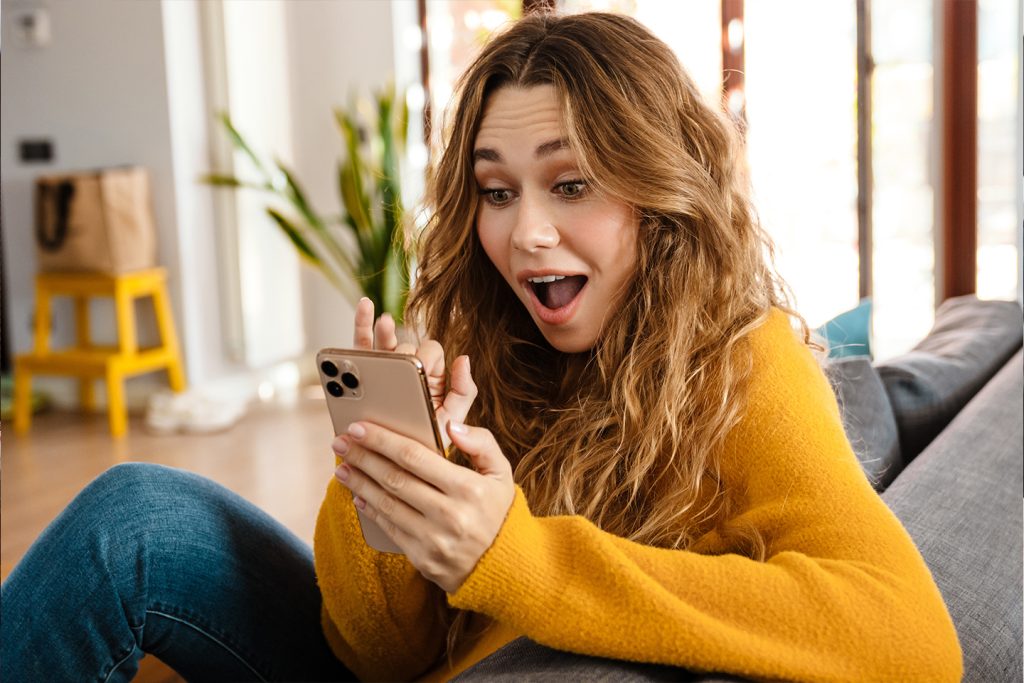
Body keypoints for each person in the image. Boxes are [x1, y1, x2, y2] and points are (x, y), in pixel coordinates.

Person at [1, 11, 962, 683]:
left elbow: (913, 638)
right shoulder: (489, 343)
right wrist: (386, 507)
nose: (525, 234)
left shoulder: (741, 365)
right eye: (497, 192)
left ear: (663, 192)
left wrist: (518, 555)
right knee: (134, 516)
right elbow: (377, 655)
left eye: (572, 183)